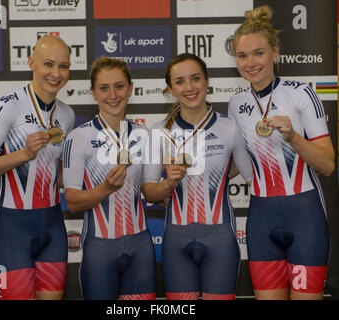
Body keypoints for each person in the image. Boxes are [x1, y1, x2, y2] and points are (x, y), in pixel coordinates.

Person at [228, 5, 335, 300]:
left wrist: (292, 137)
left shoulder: (300, 93)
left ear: (275, 52)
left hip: (305, 216)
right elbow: (237, 165)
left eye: (258, 53)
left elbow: (327, 164)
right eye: (242, 55)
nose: (250, 62)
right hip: (261, 219)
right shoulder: (236, 104)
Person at [0, 35, 75, 300]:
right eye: (48, 64)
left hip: (52, 226)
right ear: (32, 63)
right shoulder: (7, 106)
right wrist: (24, 154)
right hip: (11, 227)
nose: (56, 73)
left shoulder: (67, 114)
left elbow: (55, 174)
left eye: (63, 66)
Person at [142, 53, 252, 300]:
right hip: (176, 240)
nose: (189, 88)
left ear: (207, 81)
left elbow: (251, 177)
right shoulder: (159, 132)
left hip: (220, 238)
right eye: (180, 82)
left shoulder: (229, 127)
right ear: (170, 89)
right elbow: (149, 192)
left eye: (195, 79)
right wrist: (167, 183)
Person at [63, 56, 156, 300]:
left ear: (130, 89)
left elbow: (151, 191)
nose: (112, 95)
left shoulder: (144, 135)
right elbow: (72, 202)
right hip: (100, 248)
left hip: (141, 247)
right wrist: (105, 188)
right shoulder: (78, 137)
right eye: (104, 88)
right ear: (93, 92)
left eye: (119, 86)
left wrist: (170, 186)